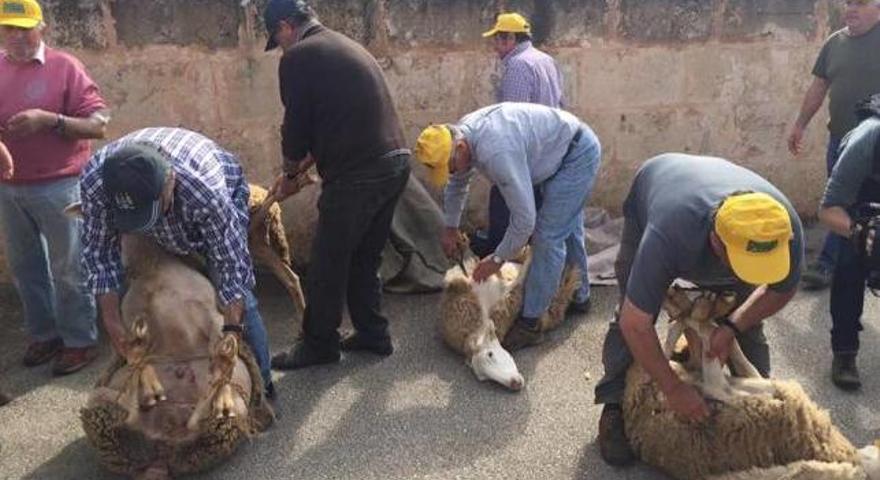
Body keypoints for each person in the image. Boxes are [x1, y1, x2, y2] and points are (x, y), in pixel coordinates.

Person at [593, 153, 804, 467]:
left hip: (719, 199)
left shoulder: (781, 228)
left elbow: (781, 289)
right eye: (742, 263)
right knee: (633, 304)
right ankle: (614, 405)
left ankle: (759, 415)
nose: (751, 274)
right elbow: (635, 323)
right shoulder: (671, 232)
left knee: (748, 320)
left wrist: (733, 326)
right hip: (658, 187)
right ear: (716, 243)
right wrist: (673, 388)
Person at [263, 0, 411, 369]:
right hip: (394, 163)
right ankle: (374, 334)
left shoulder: (297, 57)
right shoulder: (342, 44)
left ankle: (319, 345)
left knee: (328, 261)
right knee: (365, 255)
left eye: (276, 39)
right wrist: (296, 174)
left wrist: (290, 172)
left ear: (285, 27)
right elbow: (332, 124)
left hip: (359, 173)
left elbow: (295, 129)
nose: (279, 47)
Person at [78, 127, 275, 398]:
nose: (152, 222)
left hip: (219, 193)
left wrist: (231, 331)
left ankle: (262, 387)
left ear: (170, 180)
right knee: (134, 297)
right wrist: (112, 322)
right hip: (161, 205)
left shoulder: (207, 193)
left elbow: (233, 270)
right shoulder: (97, 183)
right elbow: (100, 255)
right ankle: (157, 382)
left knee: (238, 298)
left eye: (152, 212)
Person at [414, 102, 599, 350]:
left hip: (575, 156)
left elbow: (524, 221)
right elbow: (457, 184)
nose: (452, 172)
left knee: (548, 237)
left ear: (459, 147)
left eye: (450, 167)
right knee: (567, 226)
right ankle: (580, 295)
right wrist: (450, 227)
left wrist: (497, 259)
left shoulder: (496, 152)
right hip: (557, 152)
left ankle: (531, 324)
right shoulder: (460, 138)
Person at [0, 0, 109, 375]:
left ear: (42, 28)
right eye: (8, 28)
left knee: (68, 267)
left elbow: (99, 124)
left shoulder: (65, 67)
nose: (15, 37)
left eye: (23, 28)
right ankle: (44, 334)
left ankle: (80, 340)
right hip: (9, 185)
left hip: (61, 184)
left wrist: (50, 120)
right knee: (25, 265)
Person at [787, 0, 880, 290]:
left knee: (863, 206)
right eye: (849, 2)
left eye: (860, 3)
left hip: (876, 148)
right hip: (840, 142)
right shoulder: (834, 43)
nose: (851, 8)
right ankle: (840, 266)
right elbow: (818, 87)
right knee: (839, 204)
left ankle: (831, 264)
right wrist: (800, 123)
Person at [473, 12, 565, 258]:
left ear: (510, 39)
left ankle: (498, 261)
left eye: (498, 39)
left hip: (527, 153)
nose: (494, 46)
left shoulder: (517, 65)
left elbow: (512, 122)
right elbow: (560, 103)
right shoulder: (545, 60)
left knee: (504, 201)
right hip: (549, 149)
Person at [816, 94, 880, 390]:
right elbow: (828, 210)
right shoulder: (868, 139)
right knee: (850, 266)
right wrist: (860, 232)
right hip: (857, 201)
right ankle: (844, 352)